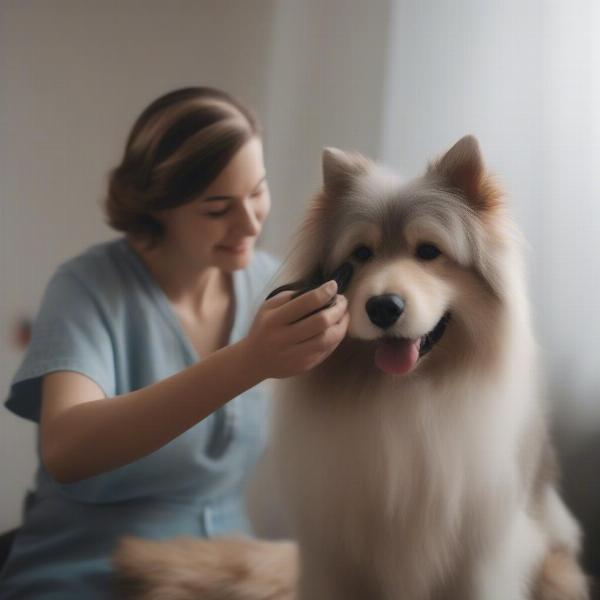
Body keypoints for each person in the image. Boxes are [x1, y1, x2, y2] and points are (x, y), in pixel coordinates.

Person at [0, 87, 350, 599]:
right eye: (217, 208)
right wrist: (249, 361)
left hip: (228, 570)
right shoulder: (88, 288)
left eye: (258, 192)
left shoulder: (274, 284)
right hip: (88, 566)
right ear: (158, 207)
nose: (251, 222)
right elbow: (66, 448)